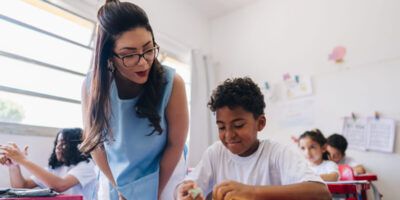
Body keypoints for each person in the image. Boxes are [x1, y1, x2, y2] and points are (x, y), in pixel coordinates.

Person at [78, 0, 189, 199]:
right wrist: (119, 189)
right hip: (114, 174)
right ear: (109, 57)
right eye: (129, 55)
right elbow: (95, 143)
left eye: (148, 49)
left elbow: (176, 144)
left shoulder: (172, 83)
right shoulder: (92, 87)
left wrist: (154, 192)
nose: (144, 61)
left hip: (164, 169)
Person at [177, 77, 330, 200]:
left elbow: (321, 193)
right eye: (222, 127)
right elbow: (186, 187)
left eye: (238, 125)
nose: (229, 135)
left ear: (260, 123)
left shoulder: (275, 153)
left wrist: (252, 193)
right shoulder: (215, 153)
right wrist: (184, 192)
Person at [0, 128, 97, 200]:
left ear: (77, 146)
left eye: (64, 144)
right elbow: (21, 186)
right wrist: (14, 165)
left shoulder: (87, 165)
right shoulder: (54, 168)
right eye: (57, 143)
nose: (58, 147)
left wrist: (23, 160)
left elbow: (60, 185)